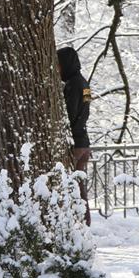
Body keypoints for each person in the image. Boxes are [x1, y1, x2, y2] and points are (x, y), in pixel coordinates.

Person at [58, 46, 92, 225]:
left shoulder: (73, 84)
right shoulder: (84, 83)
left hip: (75, 143)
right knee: (80, 187)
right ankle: (84, 223)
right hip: (83, 142)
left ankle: (79, 225)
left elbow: (69, 113)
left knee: (72, 187)